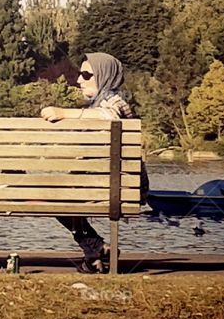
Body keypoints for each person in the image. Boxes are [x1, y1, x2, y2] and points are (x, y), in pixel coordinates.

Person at [41, 52, 147, 274]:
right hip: (117, 186)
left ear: (104, 75)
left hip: (117, 186)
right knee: (55, 194)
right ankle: (95, 251)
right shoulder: (98, 104)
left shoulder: (114, 100)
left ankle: (95, 249)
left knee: (54, 195)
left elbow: (109, 116)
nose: (79, 80)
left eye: (87, 75)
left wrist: (63, 113)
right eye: (80, 74)